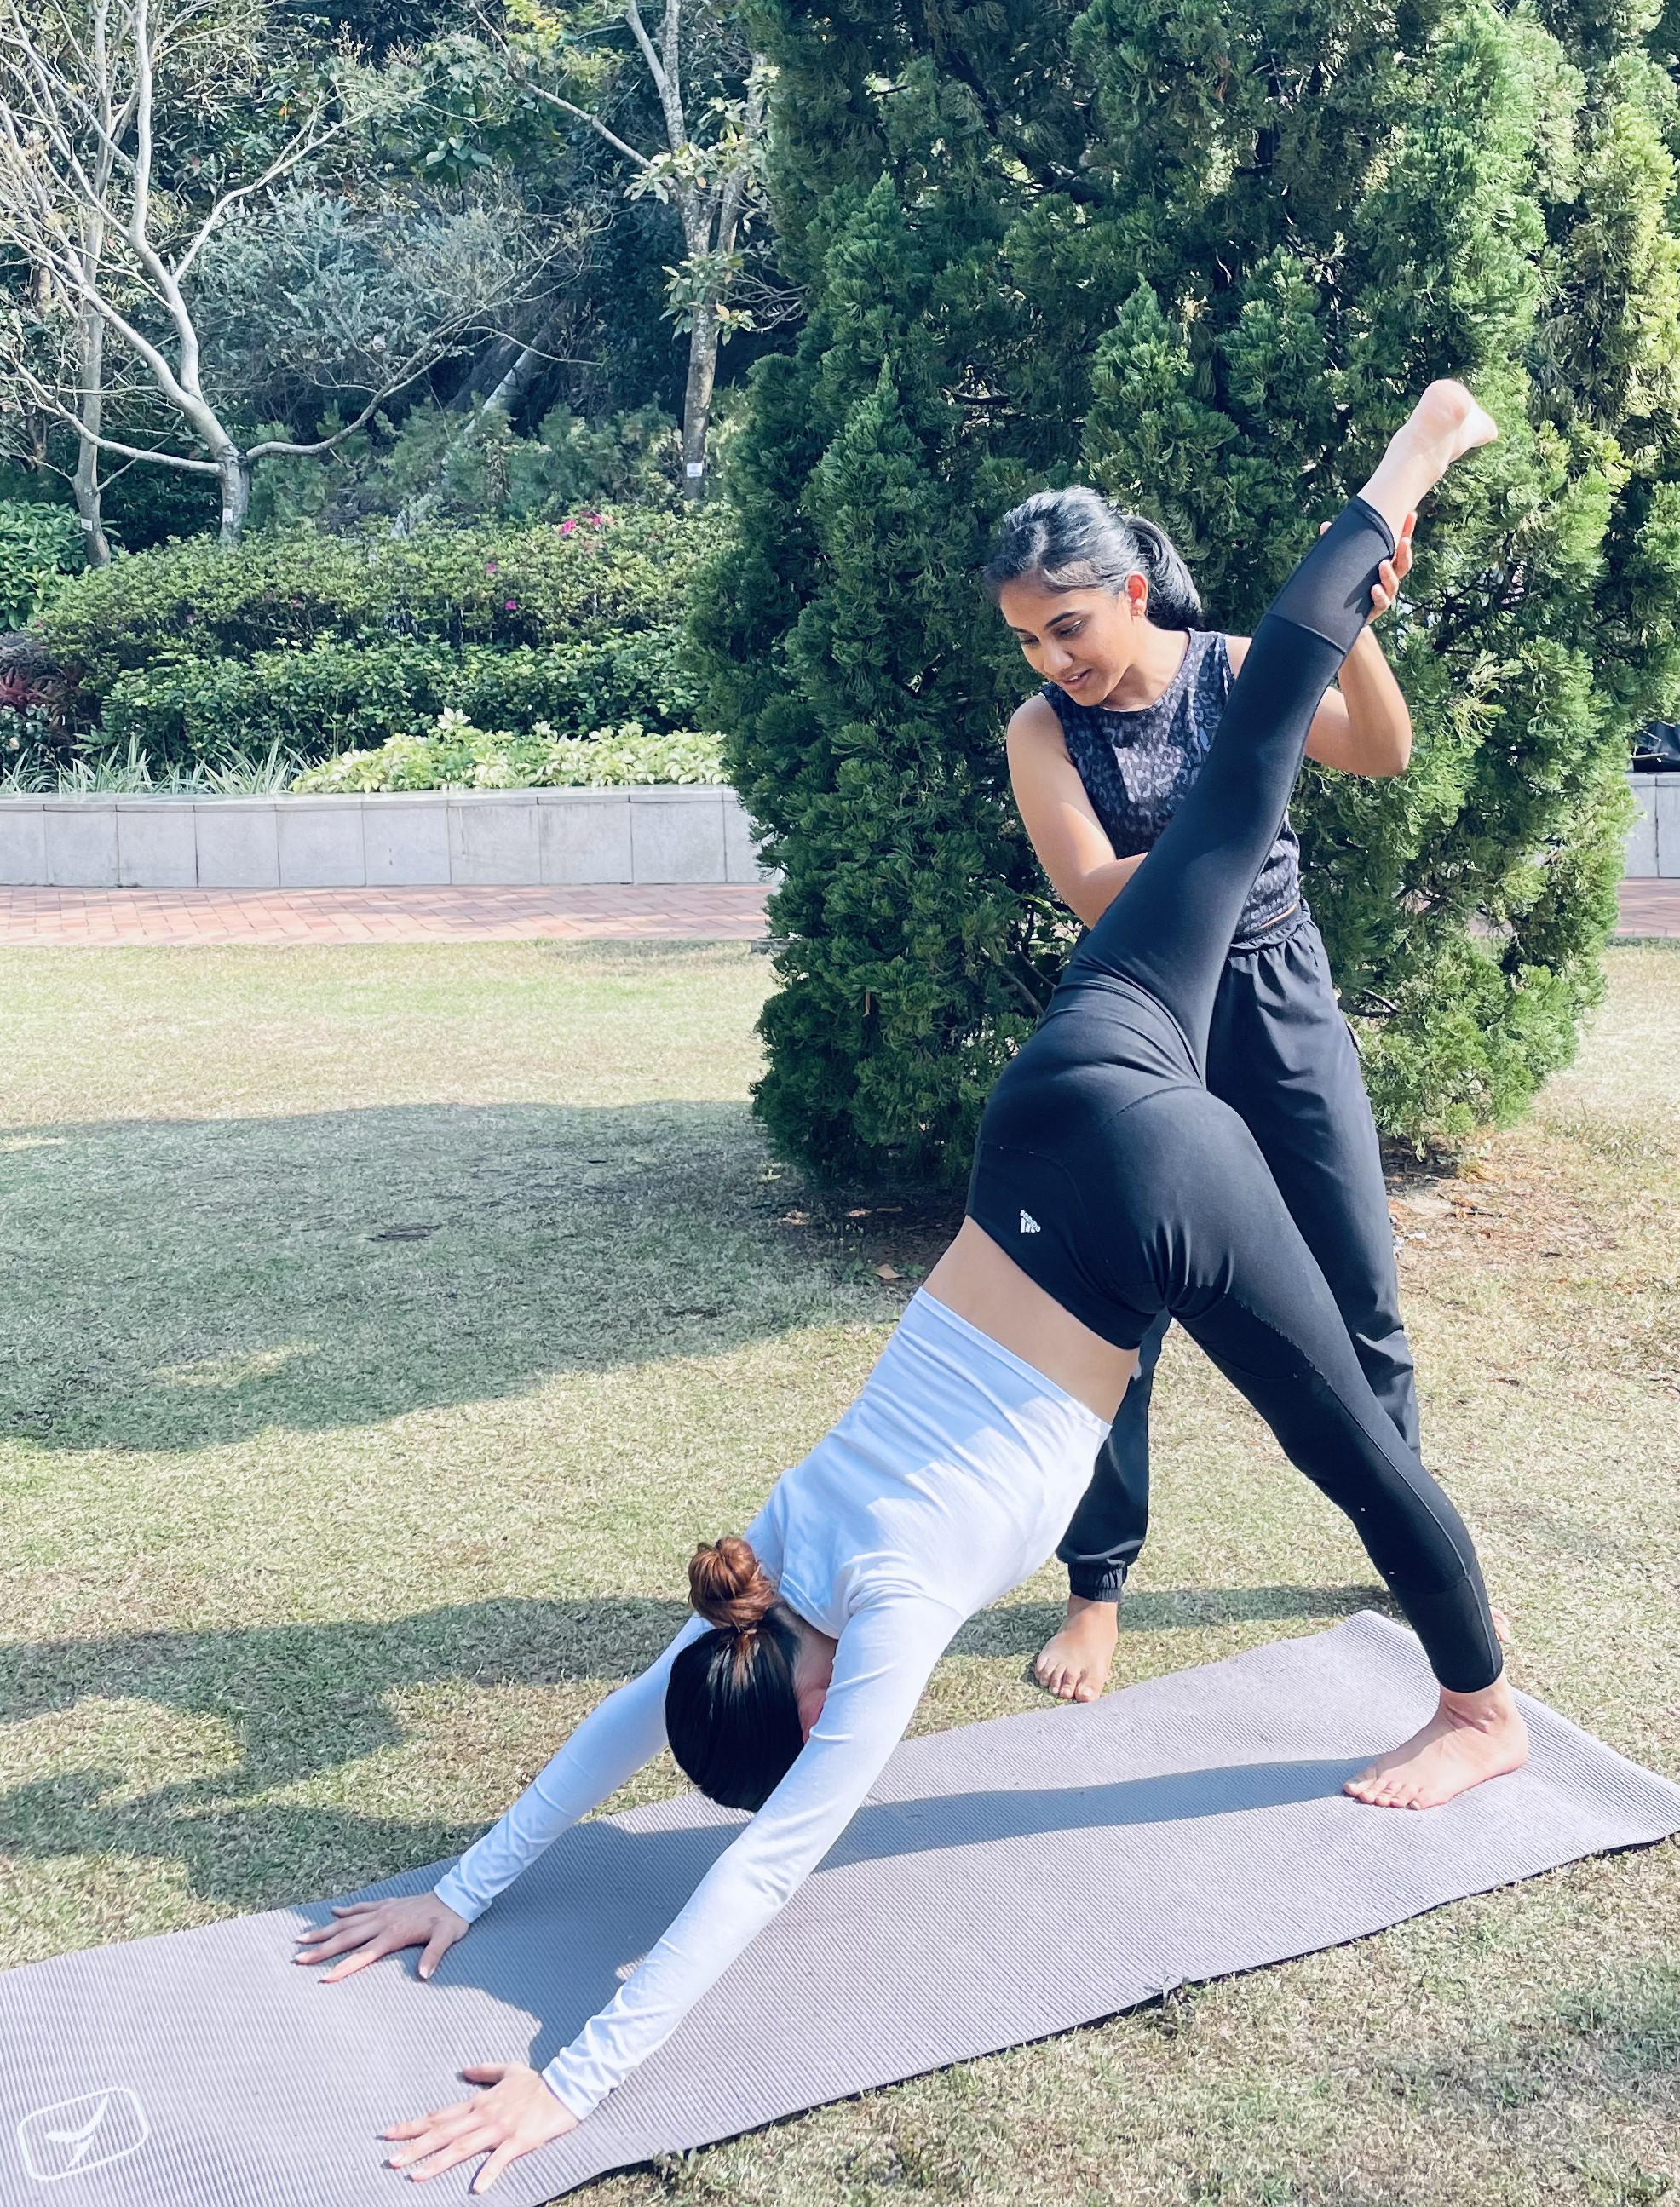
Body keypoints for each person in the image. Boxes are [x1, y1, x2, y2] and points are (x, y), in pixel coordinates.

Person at [292, 382, 1524, 2194]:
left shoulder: (865, 1633)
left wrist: (573, 2083)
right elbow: (610, 1738)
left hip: (1137, 1206)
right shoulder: (761, 1564)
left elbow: (768, 1867)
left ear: (794, 1701)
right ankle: (1408, 464)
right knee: (1260, 727)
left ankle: (1483, 1715)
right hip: (1050, 1117)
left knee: (1349, 1430)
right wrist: (456, 1890)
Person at [992, 483, 1423, 1704]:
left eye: (1066, 626)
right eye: (1029, 637)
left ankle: (1404, 1529)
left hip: (1280, 991)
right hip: (1145, 1019)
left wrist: (1353, 633)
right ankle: (1096, 1590)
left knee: (1361, 1293)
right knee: (1115, 1321)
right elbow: (1091, 889)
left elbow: (1383, 753)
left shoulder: (1238, 668)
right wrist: (1238, 814)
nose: (1050, 657)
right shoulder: (1042, 731)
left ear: (1130, 592)